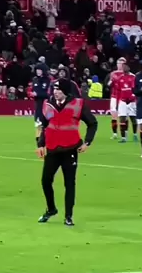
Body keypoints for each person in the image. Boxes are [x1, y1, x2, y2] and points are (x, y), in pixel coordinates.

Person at [36, 78, 98, 226]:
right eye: (54, 89)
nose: (55, 92)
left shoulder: (78, 104)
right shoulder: (48, 104)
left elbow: (92, 123)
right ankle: (51, 209)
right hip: (52, 149)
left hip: (70, 149)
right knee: (45, 181)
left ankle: (68, 216)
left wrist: (87, 142)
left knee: (69, 183)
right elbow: (44, 126)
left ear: (65, 90)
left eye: (58, 89)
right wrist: (40, 144)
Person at [117, 61, 137, 143]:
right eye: (123, 66)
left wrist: (133, 96)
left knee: (133, 119)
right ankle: (123, 138)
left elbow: (136, 89)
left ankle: (135, 135)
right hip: (123, 101)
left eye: (125, 66)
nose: (124, 68)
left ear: (129, 67)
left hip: (132, 101)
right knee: (122, 119)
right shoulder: (120, 78)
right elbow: (119, 90)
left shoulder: (133, 77)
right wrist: (119, 101)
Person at [108, 57, 126, 139]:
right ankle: (114, 133)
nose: (119, 65)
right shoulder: (113, 73)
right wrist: (110, 82)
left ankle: (125, 133)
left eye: (121, 64)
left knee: (124, 116)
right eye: (118, 63)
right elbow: (109, 84)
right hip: (114, 96)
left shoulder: (127, 73)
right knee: (114, 114)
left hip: (123, 96)